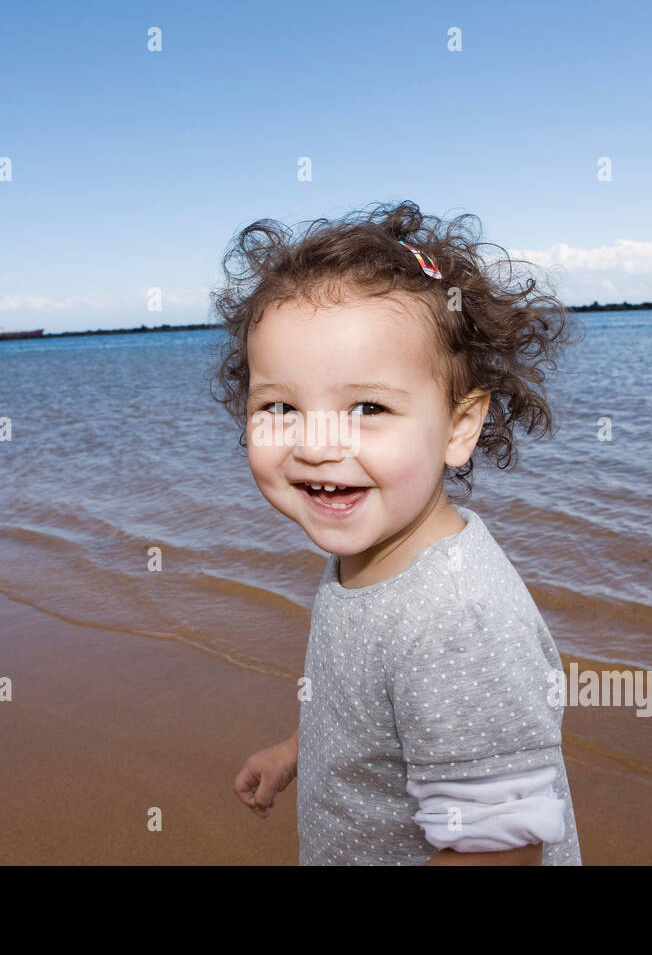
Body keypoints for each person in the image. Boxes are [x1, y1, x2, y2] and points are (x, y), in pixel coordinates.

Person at [213, 200, 583, 865]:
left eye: (368, 407)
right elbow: (375, 715)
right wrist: (297, 751)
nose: (318, 445)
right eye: (280, 407)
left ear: (459, 427)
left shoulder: (456, 620)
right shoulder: (371, 557)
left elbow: (501, 847)